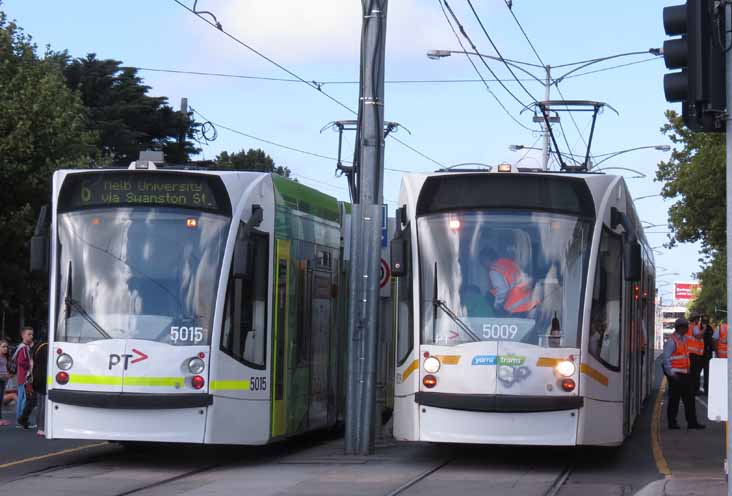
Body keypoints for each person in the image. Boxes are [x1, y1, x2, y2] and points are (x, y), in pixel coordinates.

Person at [663, 317, 705, 429]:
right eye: (686, 326)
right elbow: (666, 359)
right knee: (674, 400)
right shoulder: (672, 341)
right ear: (680, 328)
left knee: (689, 400)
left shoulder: (684, 339)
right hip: (677, 375)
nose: (688, 328)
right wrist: (671, 374)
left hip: (686, 374)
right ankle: (672, 423)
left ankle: (692, 422)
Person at [480, 243, 539, 315]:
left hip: (516, 306)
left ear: (486, 260)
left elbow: (503, 290)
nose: (482, 265)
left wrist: (497, 305)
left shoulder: (494, 271)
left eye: (482, 261)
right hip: (529, 302)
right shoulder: (508, 263)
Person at [19, 339, 47, 434]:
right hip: (43, 378)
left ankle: (24, 419)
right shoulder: (46, 348)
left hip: (36, 377)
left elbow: (32, 364)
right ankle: (41, 427)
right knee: (41, 403)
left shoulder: (38, 347)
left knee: (35, 401)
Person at [12, 327, 34, 428]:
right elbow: (21, 361)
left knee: (21, 398)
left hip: (21, 377)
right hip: (24, 377)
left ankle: (19, 420)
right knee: (24, 399)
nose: (31, 336)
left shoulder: (23, 347)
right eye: (29, 334)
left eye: (32, 334)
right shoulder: (24, 348)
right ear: (23, 335)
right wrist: (30, 364)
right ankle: (21, 420)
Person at [686, 313, 705, 395]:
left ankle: (691, 389)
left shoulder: (688, 326)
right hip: (694, 354)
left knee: (692, 373)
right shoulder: (694, 327)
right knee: (695, 373)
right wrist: (704, 329)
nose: (699, 321)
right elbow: (698, 336)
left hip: (690, 353)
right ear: (696, 319)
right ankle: (695, 390)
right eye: (698, 319)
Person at [701, 317, 715, 396]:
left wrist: (712, 349)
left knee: (707, 373)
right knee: (696, 373)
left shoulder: (710, 328)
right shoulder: (698, 328)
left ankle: (707, 389)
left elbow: (712, 339)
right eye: (704, 321)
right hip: (699, 354)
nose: (705, 323)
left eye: (706, 322)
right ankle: (696, 389)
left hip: (707, 353)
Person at [0, 340, 10, 426]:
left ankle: (1, 419)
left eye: (6, 347)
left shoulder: (4, 357)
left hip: (3, 380)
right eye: (3, 346)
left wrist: (7, 375)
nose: (6, 348)